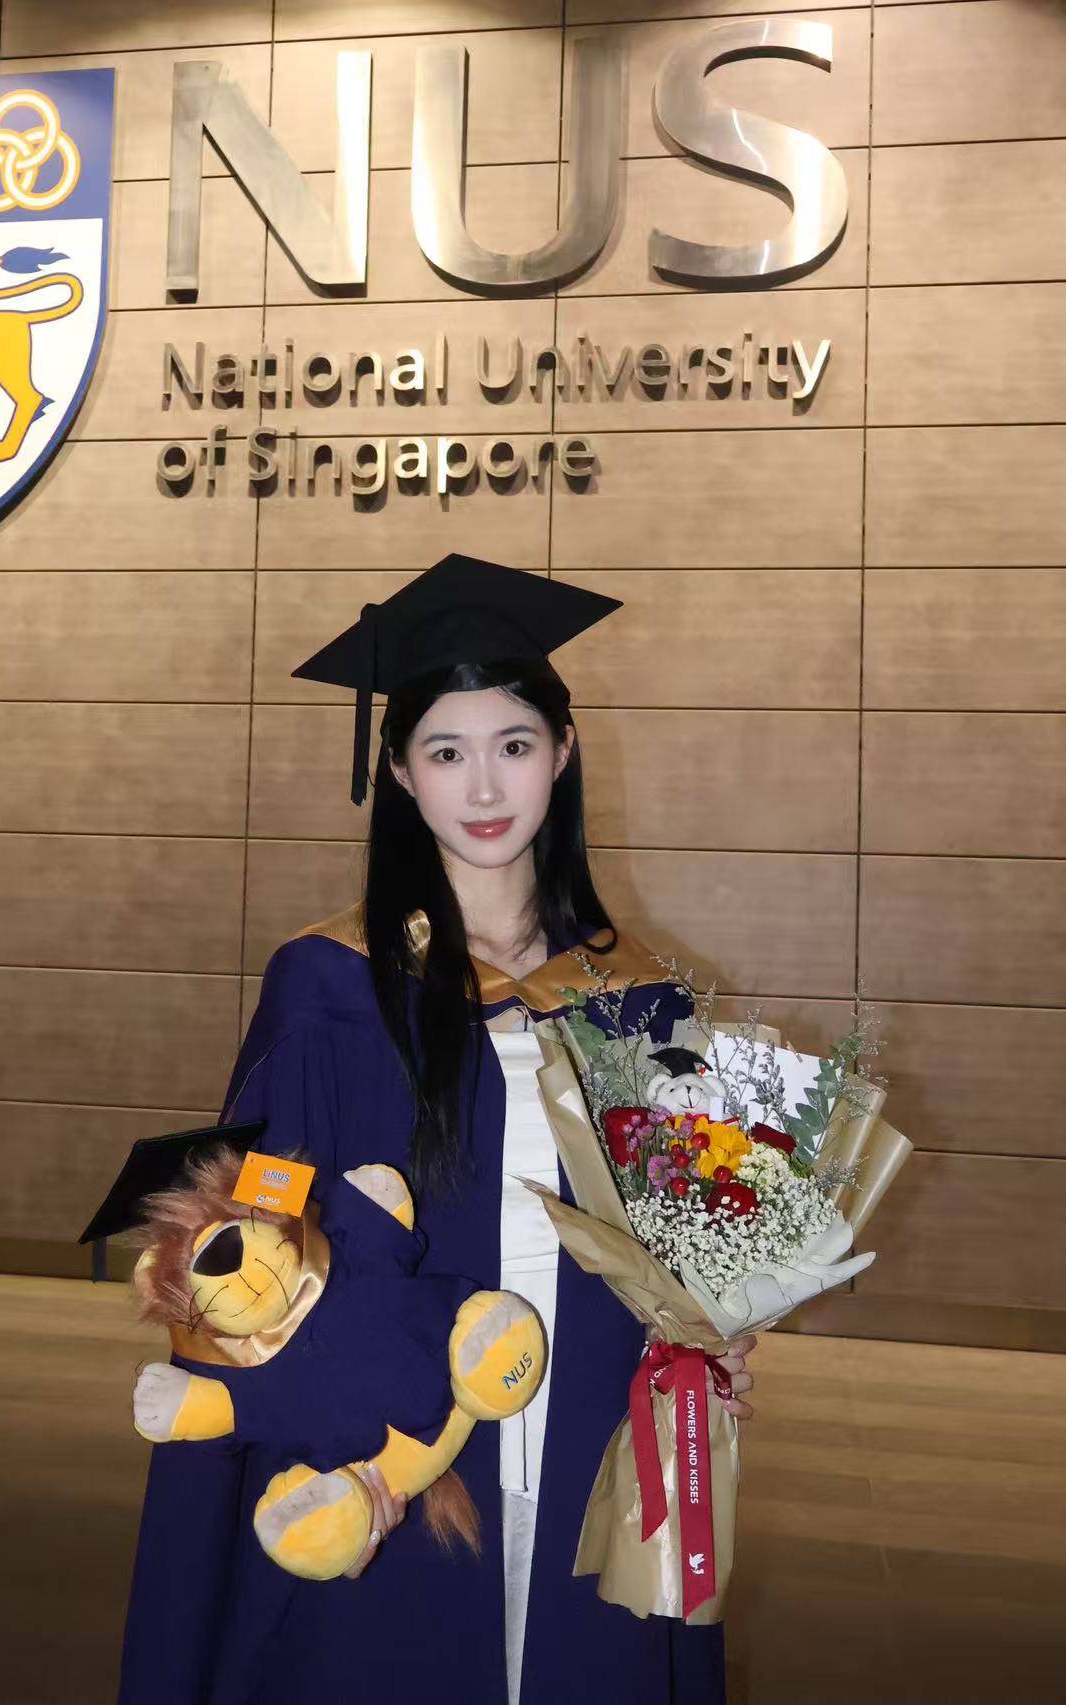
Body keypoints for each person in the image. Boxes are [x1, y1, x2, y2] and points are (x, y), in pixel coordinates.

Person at [118, 555, 755, 1705]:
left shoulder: (637, 992)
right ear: (399, 772)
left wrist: (711, 1324)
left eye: (513, 743)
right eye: (446, 751)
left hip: (594, 1414)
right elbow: (262, 1229)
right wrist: (334, 1409)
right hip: (399, 1422)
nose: (484, 784)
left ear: (562, 752)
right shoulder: (329, 985)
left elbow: (685, 1222)